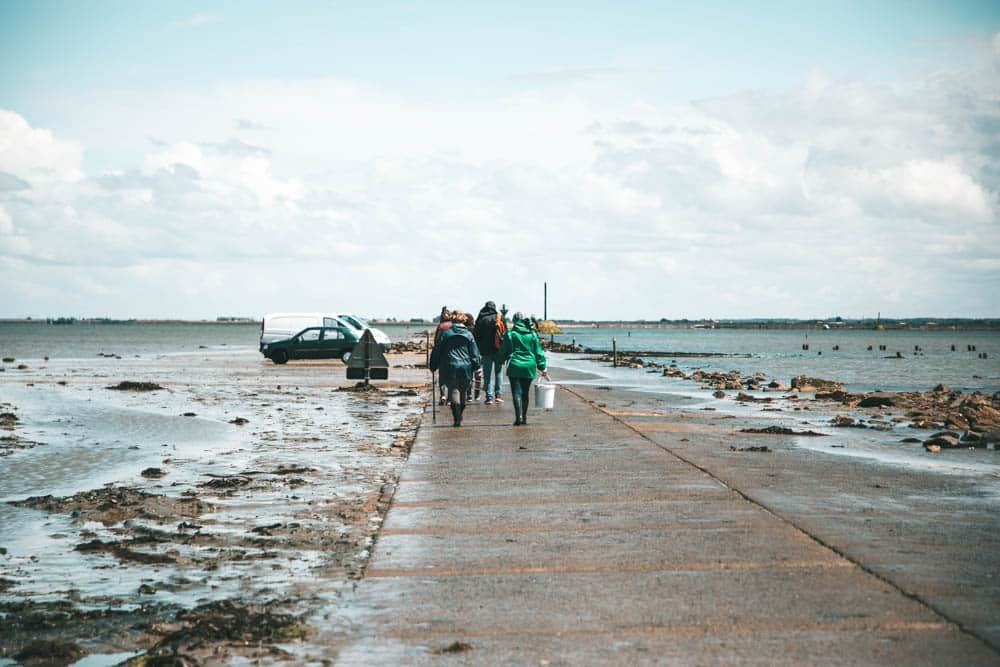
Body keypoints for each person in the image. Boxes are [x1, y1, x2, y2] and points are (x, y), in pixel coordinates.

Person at [430, 310, 481, 427]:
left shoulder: (446, 334)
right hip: (466, 366)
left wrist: (433, 364)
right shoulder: (469, 334)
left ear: (452, 320)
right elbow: (474, 353)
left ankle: (456, 416)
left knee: (453, 390)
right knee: (463, 391)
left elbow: (437, 350)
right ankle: (460, 413)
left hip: (449, 365)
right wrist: (477, 367)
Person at [499, 311, 548, 426]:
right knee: (525, 393)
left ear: (515, 321)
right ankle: (524, 417)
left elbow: (503, 350)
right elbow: (538, 353)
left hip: (514, 365)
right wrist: (543, 367)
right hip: (529, 366)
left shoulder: (510, 334)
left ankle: (518, 417)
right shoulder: (532, 335)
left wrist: (500, 361)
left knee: (516, 392)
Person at [474, 300, 506, 405]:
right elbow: (505, 334)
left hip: (485, 351)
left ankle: (489, 397)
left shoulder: (481, 318)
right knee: (498, 373)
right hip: (498, 350)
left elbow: (476, 336)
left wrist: (478, 349)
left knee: (487, 374)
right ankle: (499, 395)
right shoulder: (499, 317)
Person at [433, 307, 453, 405]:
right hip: (453, 354)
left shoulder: (440, 326)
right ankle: (449, 398)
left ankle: (442, 396)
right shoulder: (453, 326)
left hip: (442, 355)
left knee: (442, 377)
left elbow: (436, 342)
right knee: (451, 377)